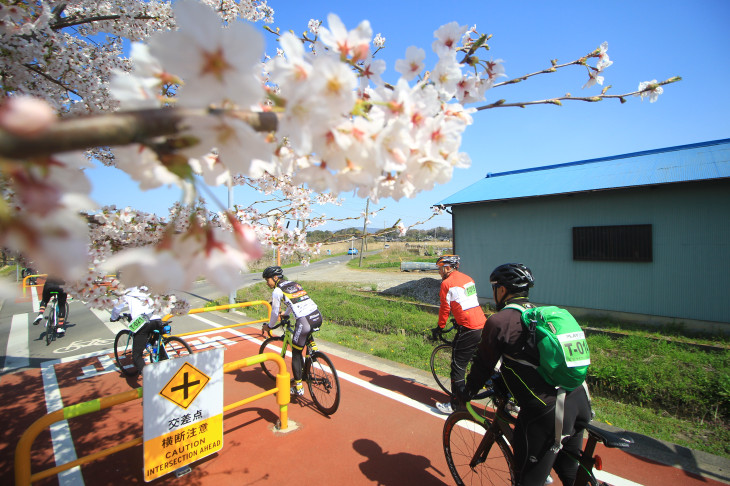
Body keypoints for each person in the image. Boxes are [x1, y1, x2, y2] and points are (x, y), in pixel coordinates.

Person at [460, 263, 592, 486]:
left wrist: (467, 392)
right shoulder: (540, 316)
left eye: (495, 288)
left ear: (501, 290)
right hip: (579, 399)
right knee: (571, 474)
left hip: (548, 413)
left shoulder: (499, 321)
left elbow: (483, 364)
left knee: (527, 479)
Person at [432, 254, 486, 414]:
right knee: (484, 360)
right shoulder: (469, 278)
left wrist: (440, 327)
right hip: (482, 323)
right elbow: (467, 301)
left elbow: (445, 308)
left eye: (440, 269)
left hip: (469, 328)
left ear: (447, 267)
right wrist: (458, 318)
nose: (439, 272)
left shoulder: (446, 284)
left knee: (458, 365)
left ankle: (456, 404)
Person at [262, 266, 323, 397]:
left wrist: (270, 326)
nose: (267, 283)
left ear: (275, 278)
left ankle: (299, 388)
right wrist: (286, 313)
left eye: (268, 280)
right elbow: (294, 301)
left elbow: (274, 312)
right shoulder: (294, 284)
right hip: (317, 316)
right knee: (304, 333)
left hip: (305, 321)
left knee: (296, 353)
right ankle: (313, 348)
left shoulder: (277, 291)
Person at [110, 286, 165, 376]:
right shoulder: (147, 288)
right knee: (156, 343)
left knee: (137, 355)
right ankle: (162, 357)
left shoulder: (126, 292)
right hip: (157, 319)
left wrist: (113, 318)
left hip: (142, 321)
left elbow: (117, 307)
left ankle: (149, 379)